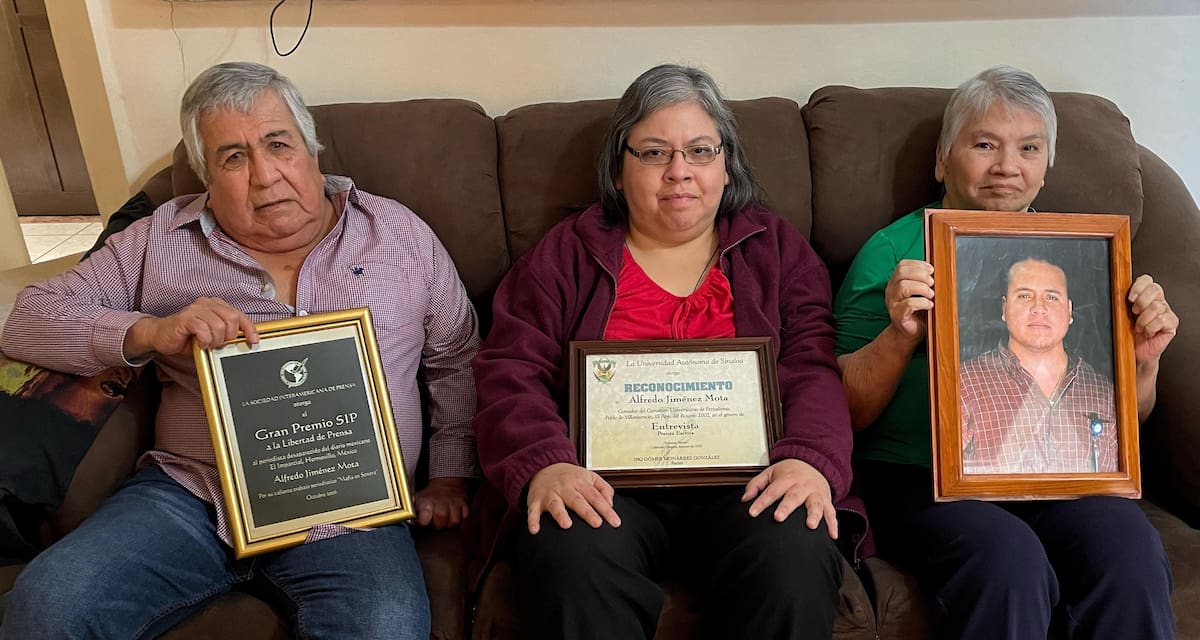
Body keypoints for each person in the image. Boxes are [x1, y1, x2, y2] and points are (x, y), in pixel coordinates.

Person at [0, 61, 480, 639]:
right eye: (233, 157)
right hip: (191, 496)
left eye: (278, 144)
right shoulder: (159, 239)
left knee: (386, 627)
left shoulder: (397, 235)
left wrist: (450, 478)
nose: (264, 175)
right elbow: (26, 319)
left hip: (351, 506)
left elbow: (457, 356)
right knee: (47, 603)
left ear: (311, 149)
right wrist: (149, 332)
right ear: (205, 176)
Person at [470, 64, 855, 640]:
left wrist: (808, 458)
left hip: (748, 483)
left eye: (700, 150)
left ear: (727, 166)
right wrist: (545, 464)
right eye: (653, 153)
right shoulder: (566, 253)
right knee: (570, 549)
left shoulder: (776, 249)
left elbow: (812, 364)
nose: (679, 172)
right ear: (619, 171)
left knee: (794, 545)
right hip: (605, 488)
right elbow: (511, 368)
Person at [835, 65, 1177, 639]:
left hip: (1056, 475)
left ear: (1046, 167)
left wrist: (1143, 360)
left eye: (1028, 148)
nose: (1006, 167)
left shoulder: (1081, 256)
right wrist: (899, 335)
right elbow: (846, 412)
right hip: (925, 479)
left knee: (1130, 545)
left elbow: (1126, 419)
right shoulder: (891, 253)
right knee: (1007, 559)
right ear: (943, 159)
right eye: (985, 144)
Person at [960, 256, 1117, 474]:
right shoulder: (964, 382)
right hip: (988, 504)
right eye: (1024, 296)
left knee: (1116, 510)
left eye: (1051, 297)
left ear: (1070, 311)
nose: (1038, 308)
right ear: (1004, 308)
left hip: (1086, 503)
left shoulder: (1103, 392)